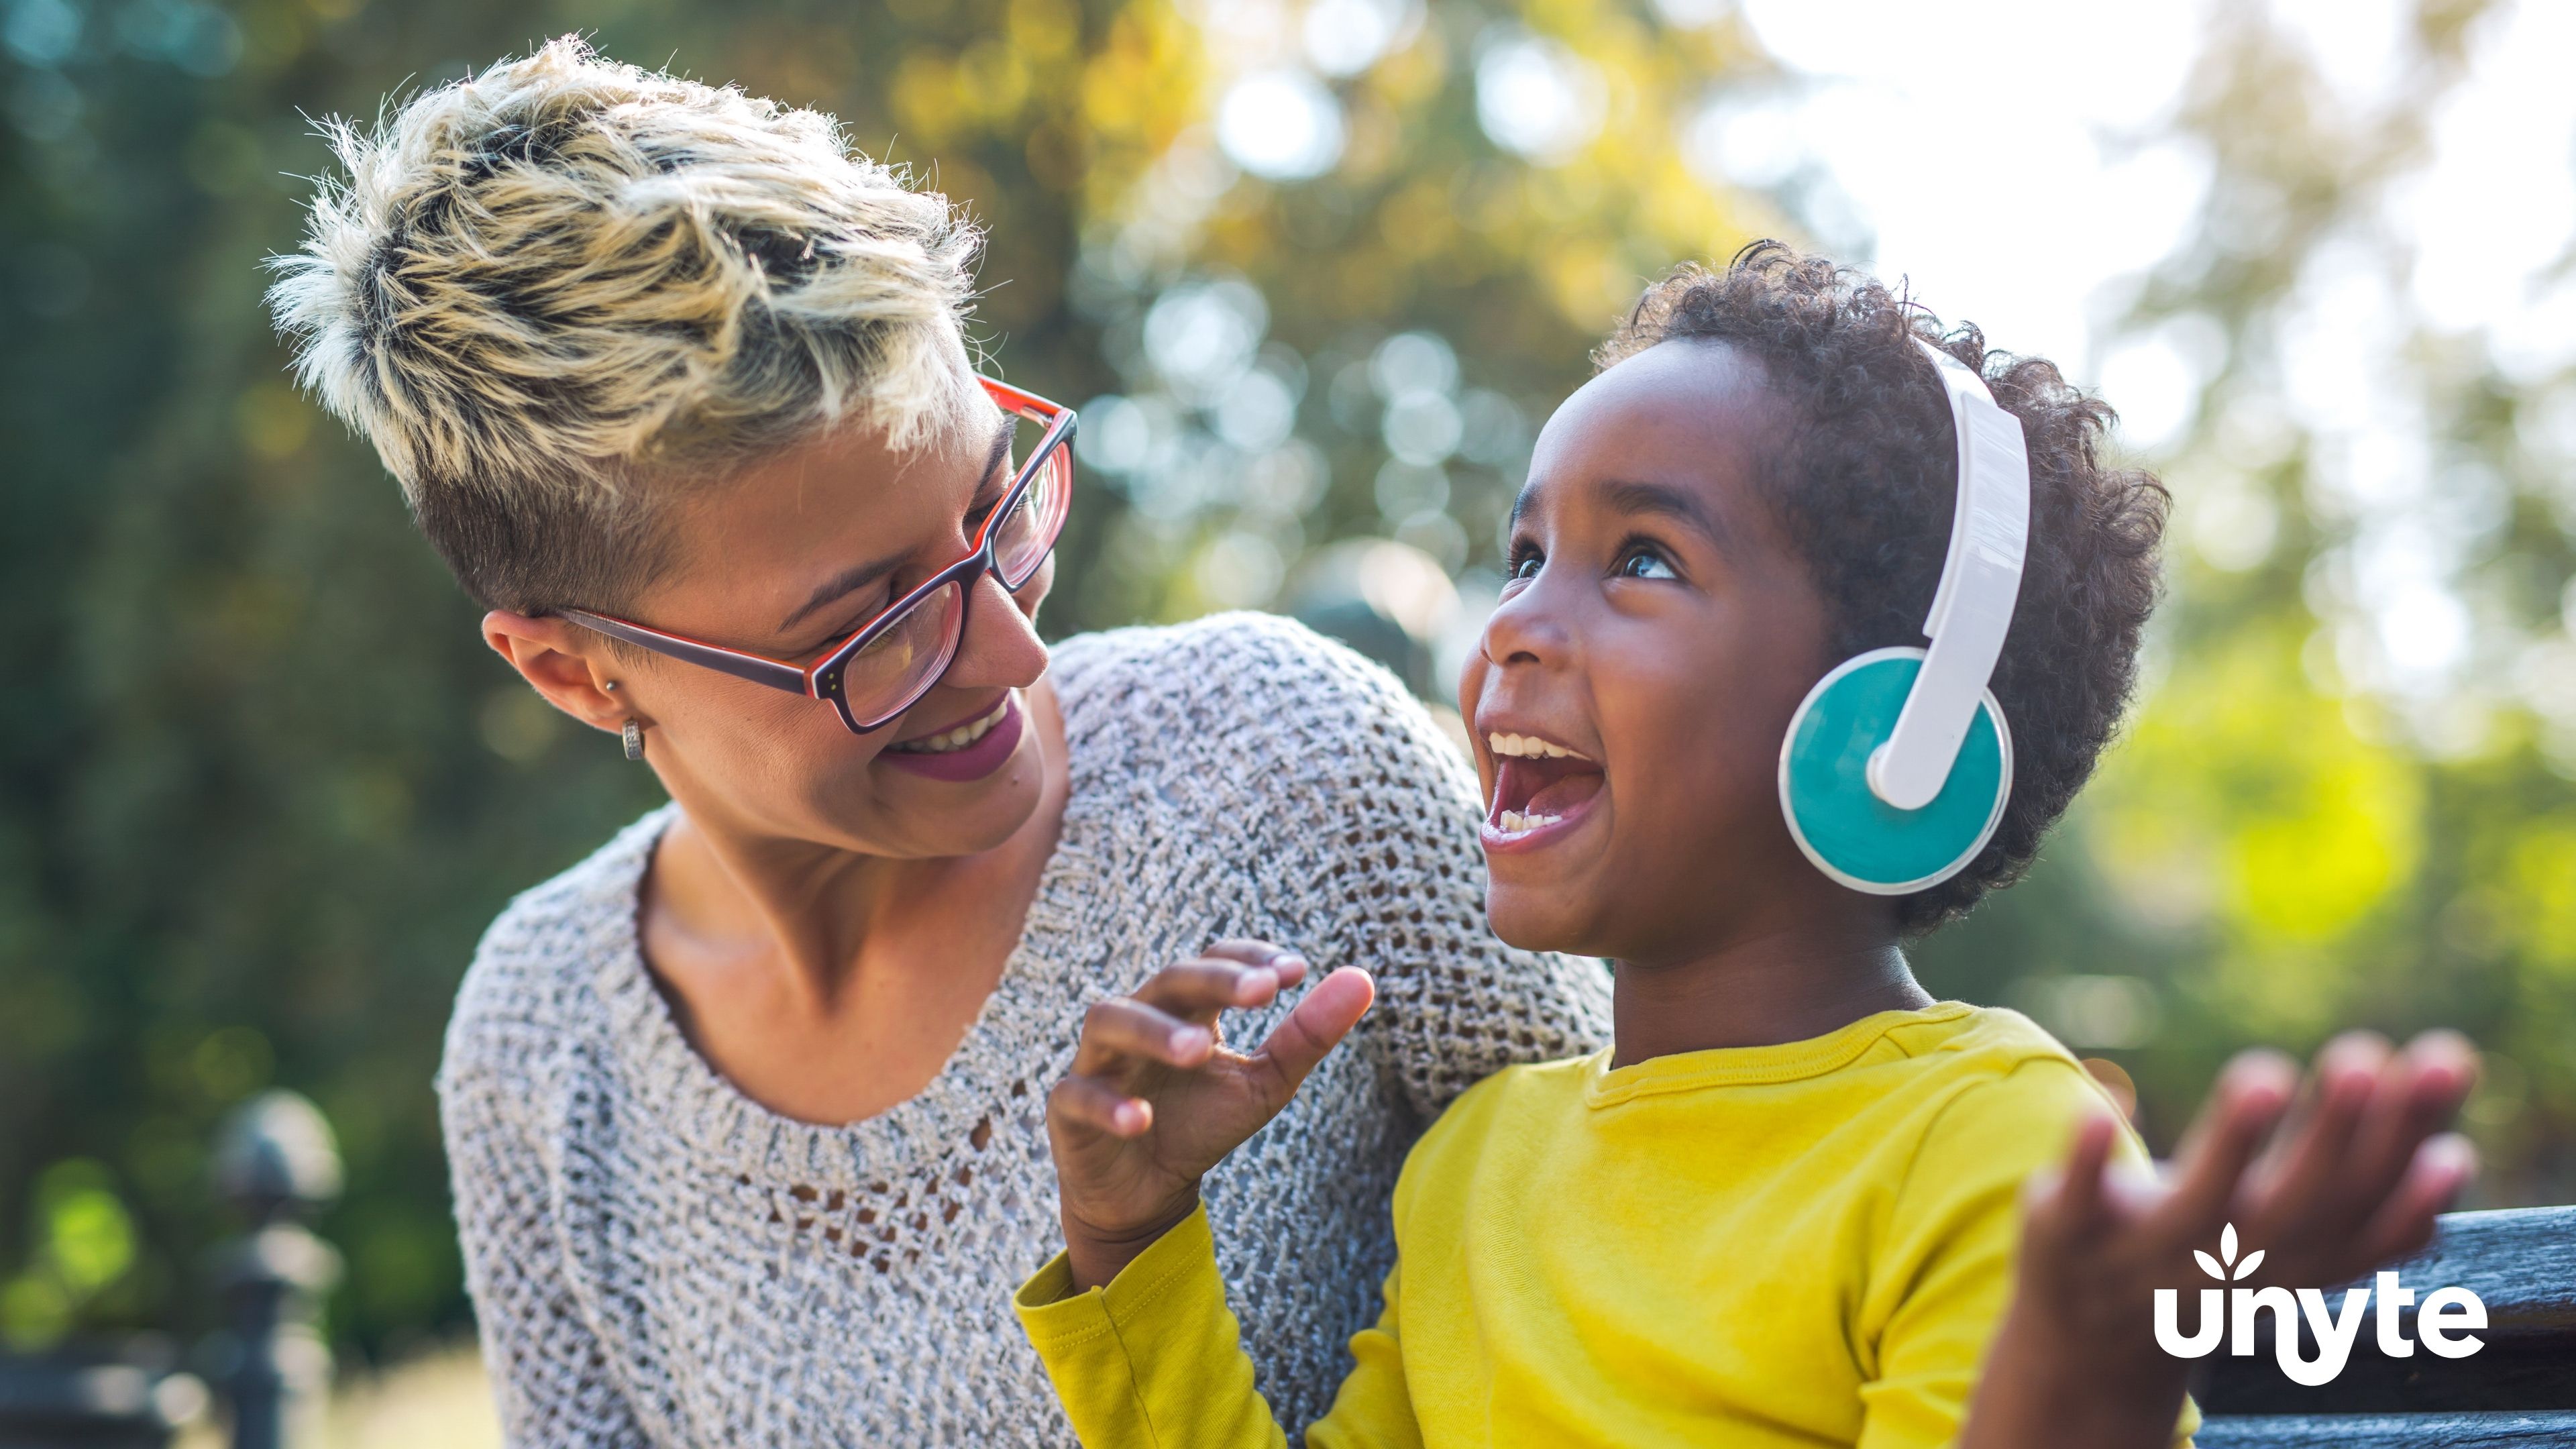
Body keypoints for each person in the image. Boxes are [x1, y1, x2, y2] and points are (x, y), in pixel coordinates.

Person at [266, 39, 1613, 1446]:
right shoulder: (544, 1047)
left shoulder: (1291, 769)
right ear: (574, 672)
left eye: (997, 511)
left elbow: (1696, 1231)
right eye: (872, 626)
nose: (1013, 653)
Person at [1013, 246, 2480, 1447]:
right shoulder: (1479, 1169)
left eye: (1643, 559)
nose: (1513, 623)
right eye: (1525, 556)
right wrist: (1131, 1238)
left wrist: (2078, 1384)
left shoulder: (1988, 1148)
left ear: (1892, 732)